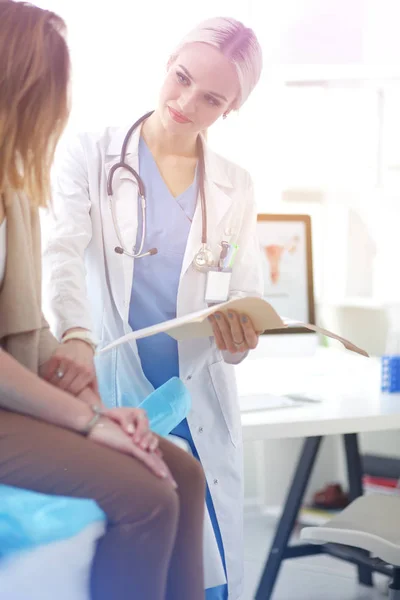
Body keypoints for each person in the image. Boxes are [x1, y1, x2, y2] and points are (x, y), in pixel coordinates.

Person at [43, 16, 264, 600]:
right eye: (182, 78)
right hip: (114, 386)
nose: (186, 102)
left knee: (208, 572)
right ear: (167, 63)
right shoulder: (90, 155)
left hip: (197, 400)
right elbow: (60, 253)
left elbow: (244, 292)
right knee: (134, 569)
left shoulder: (234, 186)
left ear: (231, 107)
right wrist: (74, 334)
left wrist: (240, 339)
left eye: (211, 98)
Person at [0, 3, 205, 600]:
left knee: (183, 475)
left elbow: (25, 325)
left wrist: (95, 403)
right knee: (145, 496)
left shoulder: (13, 188)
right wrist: (89, 422)